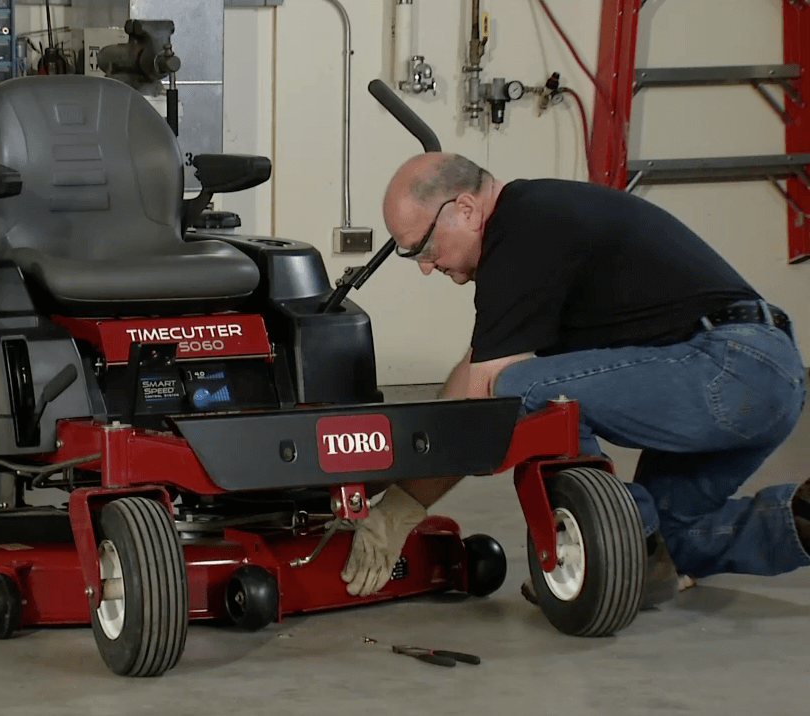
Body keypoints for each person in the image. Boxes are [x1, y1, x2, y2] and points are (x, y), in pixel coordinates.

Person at [341, 152, 808, 604]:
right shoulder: (542, 224)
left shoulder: (518, 228)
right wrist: (377, 483)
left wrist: (400, 509)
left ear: (464, 209)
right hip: (767, 376)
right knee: (677, 538)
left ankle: (619, 554)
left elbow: (486, 405)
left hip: (730, 369)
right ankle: (797, 520)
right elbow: (468, 377)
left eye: (422, 247)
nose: (426, 265)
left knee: (518, 390)